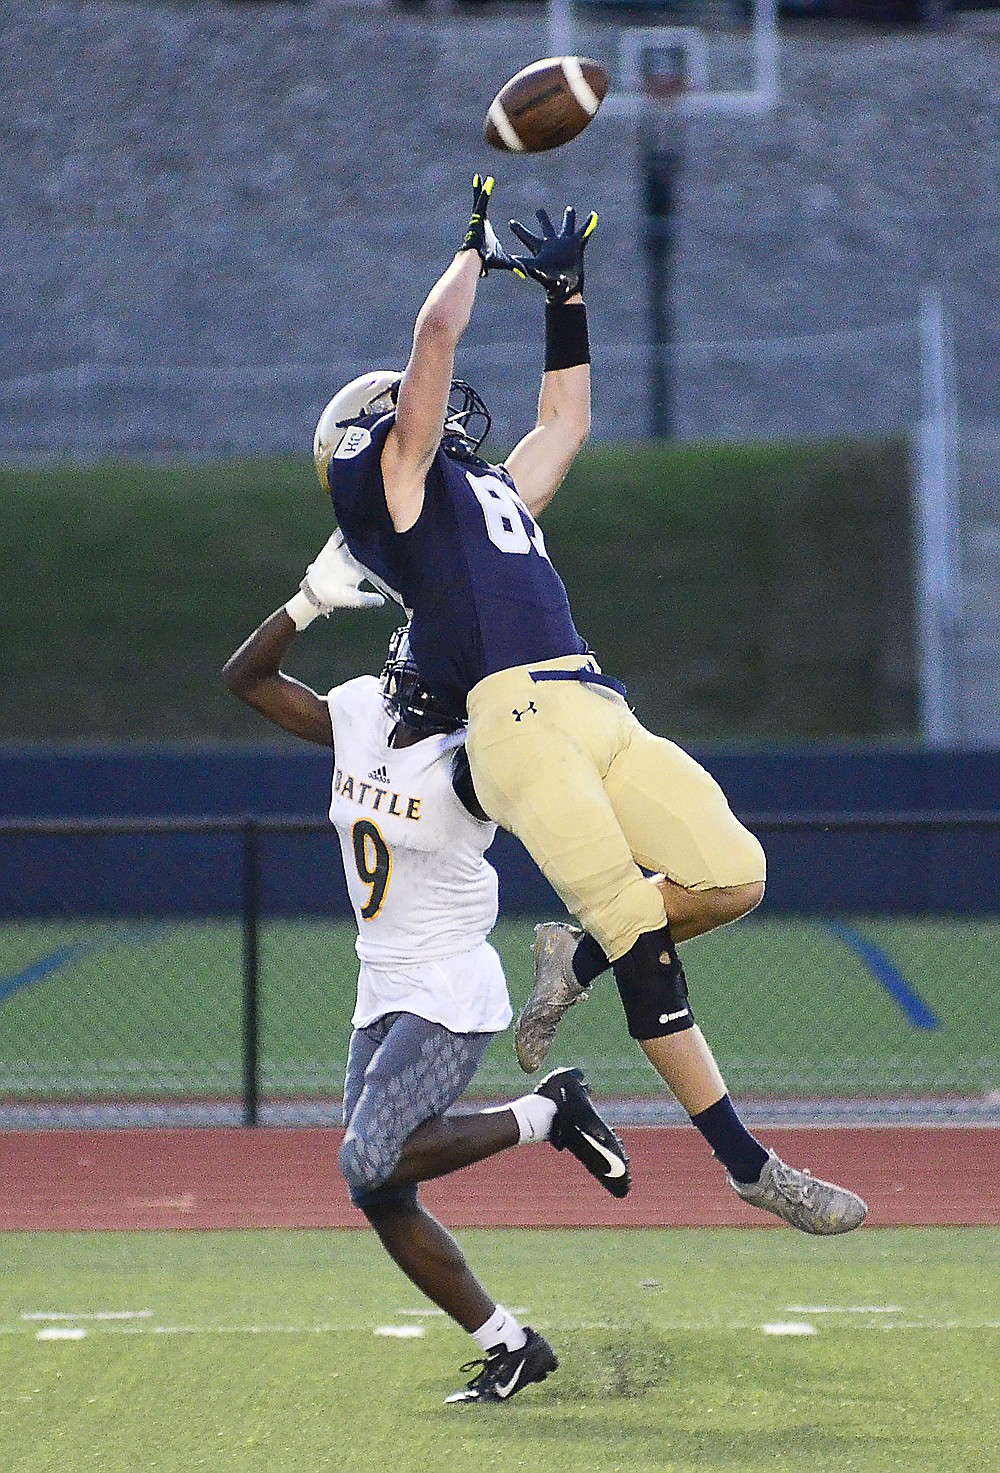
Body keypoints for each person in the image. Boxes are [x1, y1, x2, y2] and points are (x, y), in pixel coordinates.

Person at [312, 173, 867, 1237]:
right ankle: (748, 1164)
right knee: (644, 933)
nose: (418, 407)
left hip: (590, 697)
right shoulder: (396, 499)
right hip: (514, 724)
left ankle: (578, 958)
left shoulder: (487, 498)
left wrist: (566, 297)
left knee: (731, 875)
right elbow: (433, 338)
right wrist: (471, 255)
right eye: (393, 410)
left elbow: (564, 420)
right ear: (366, 445)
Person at [222, 531, 631, 1406]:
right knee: (380, 1189)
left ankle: (545, 1111)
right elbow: (244, 681)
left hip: (447, 985)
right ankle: (511, 1344)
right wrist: (305, 601)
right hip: (382, 980)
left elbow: (558, 783)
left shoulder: (473, 761)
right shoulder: (362, 709)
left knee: (368, 1157)